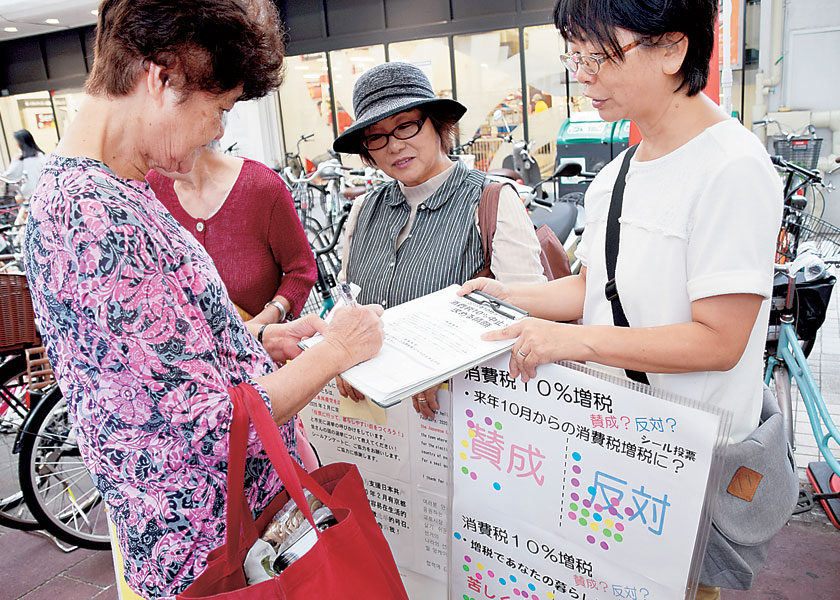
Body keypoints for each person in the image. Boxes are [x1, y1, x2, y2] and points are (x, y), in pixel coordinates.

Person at [22, 1, 383, 598]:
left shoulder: (108, 194)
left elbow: (153, 374)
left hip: (222, 536)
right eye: (219, 108)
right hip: (212, 552)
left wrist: (253, 342)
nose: (220, 130)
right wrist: (334, 352)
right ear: (161, 79)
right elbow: (203, 427)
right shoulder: (92, 218)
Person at [461, 2, 781, 598]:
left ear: (672, 50)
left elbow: (720, 339)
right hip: (617, 450)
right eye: (574, 55)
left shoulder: (732, 167)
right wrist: (508, 295)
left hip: (687, 467)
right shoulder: (619, 173)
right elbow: (597, 288)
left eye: (599, 55)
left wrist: (575, 340)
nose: (582, 75)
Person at [331, 61, 547, 418]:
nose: (394, 146)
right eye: (377, 136)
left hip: (463, 413)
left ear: (437, 124)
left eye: (406, 126)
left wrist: (444, 368)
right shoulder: (365, 209)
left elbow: (528, 314)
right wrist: (337, 351)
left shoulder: (489, 200)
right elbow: (347, 299)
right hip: (377, 414)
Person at [147, 143, 316, 325]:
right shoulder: (149, 189)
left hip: (260, 348)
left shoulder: (263, 187)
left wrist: (265, 321)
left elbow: (301, 270)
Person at [2, 129, 49, 200]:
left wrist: (15, 160)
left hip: (30, 193)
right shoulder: (41, 155)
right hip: (45, 192)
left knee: (18, 201)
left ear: (20, 143)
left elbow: (10, 176)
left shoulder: (21, 158)